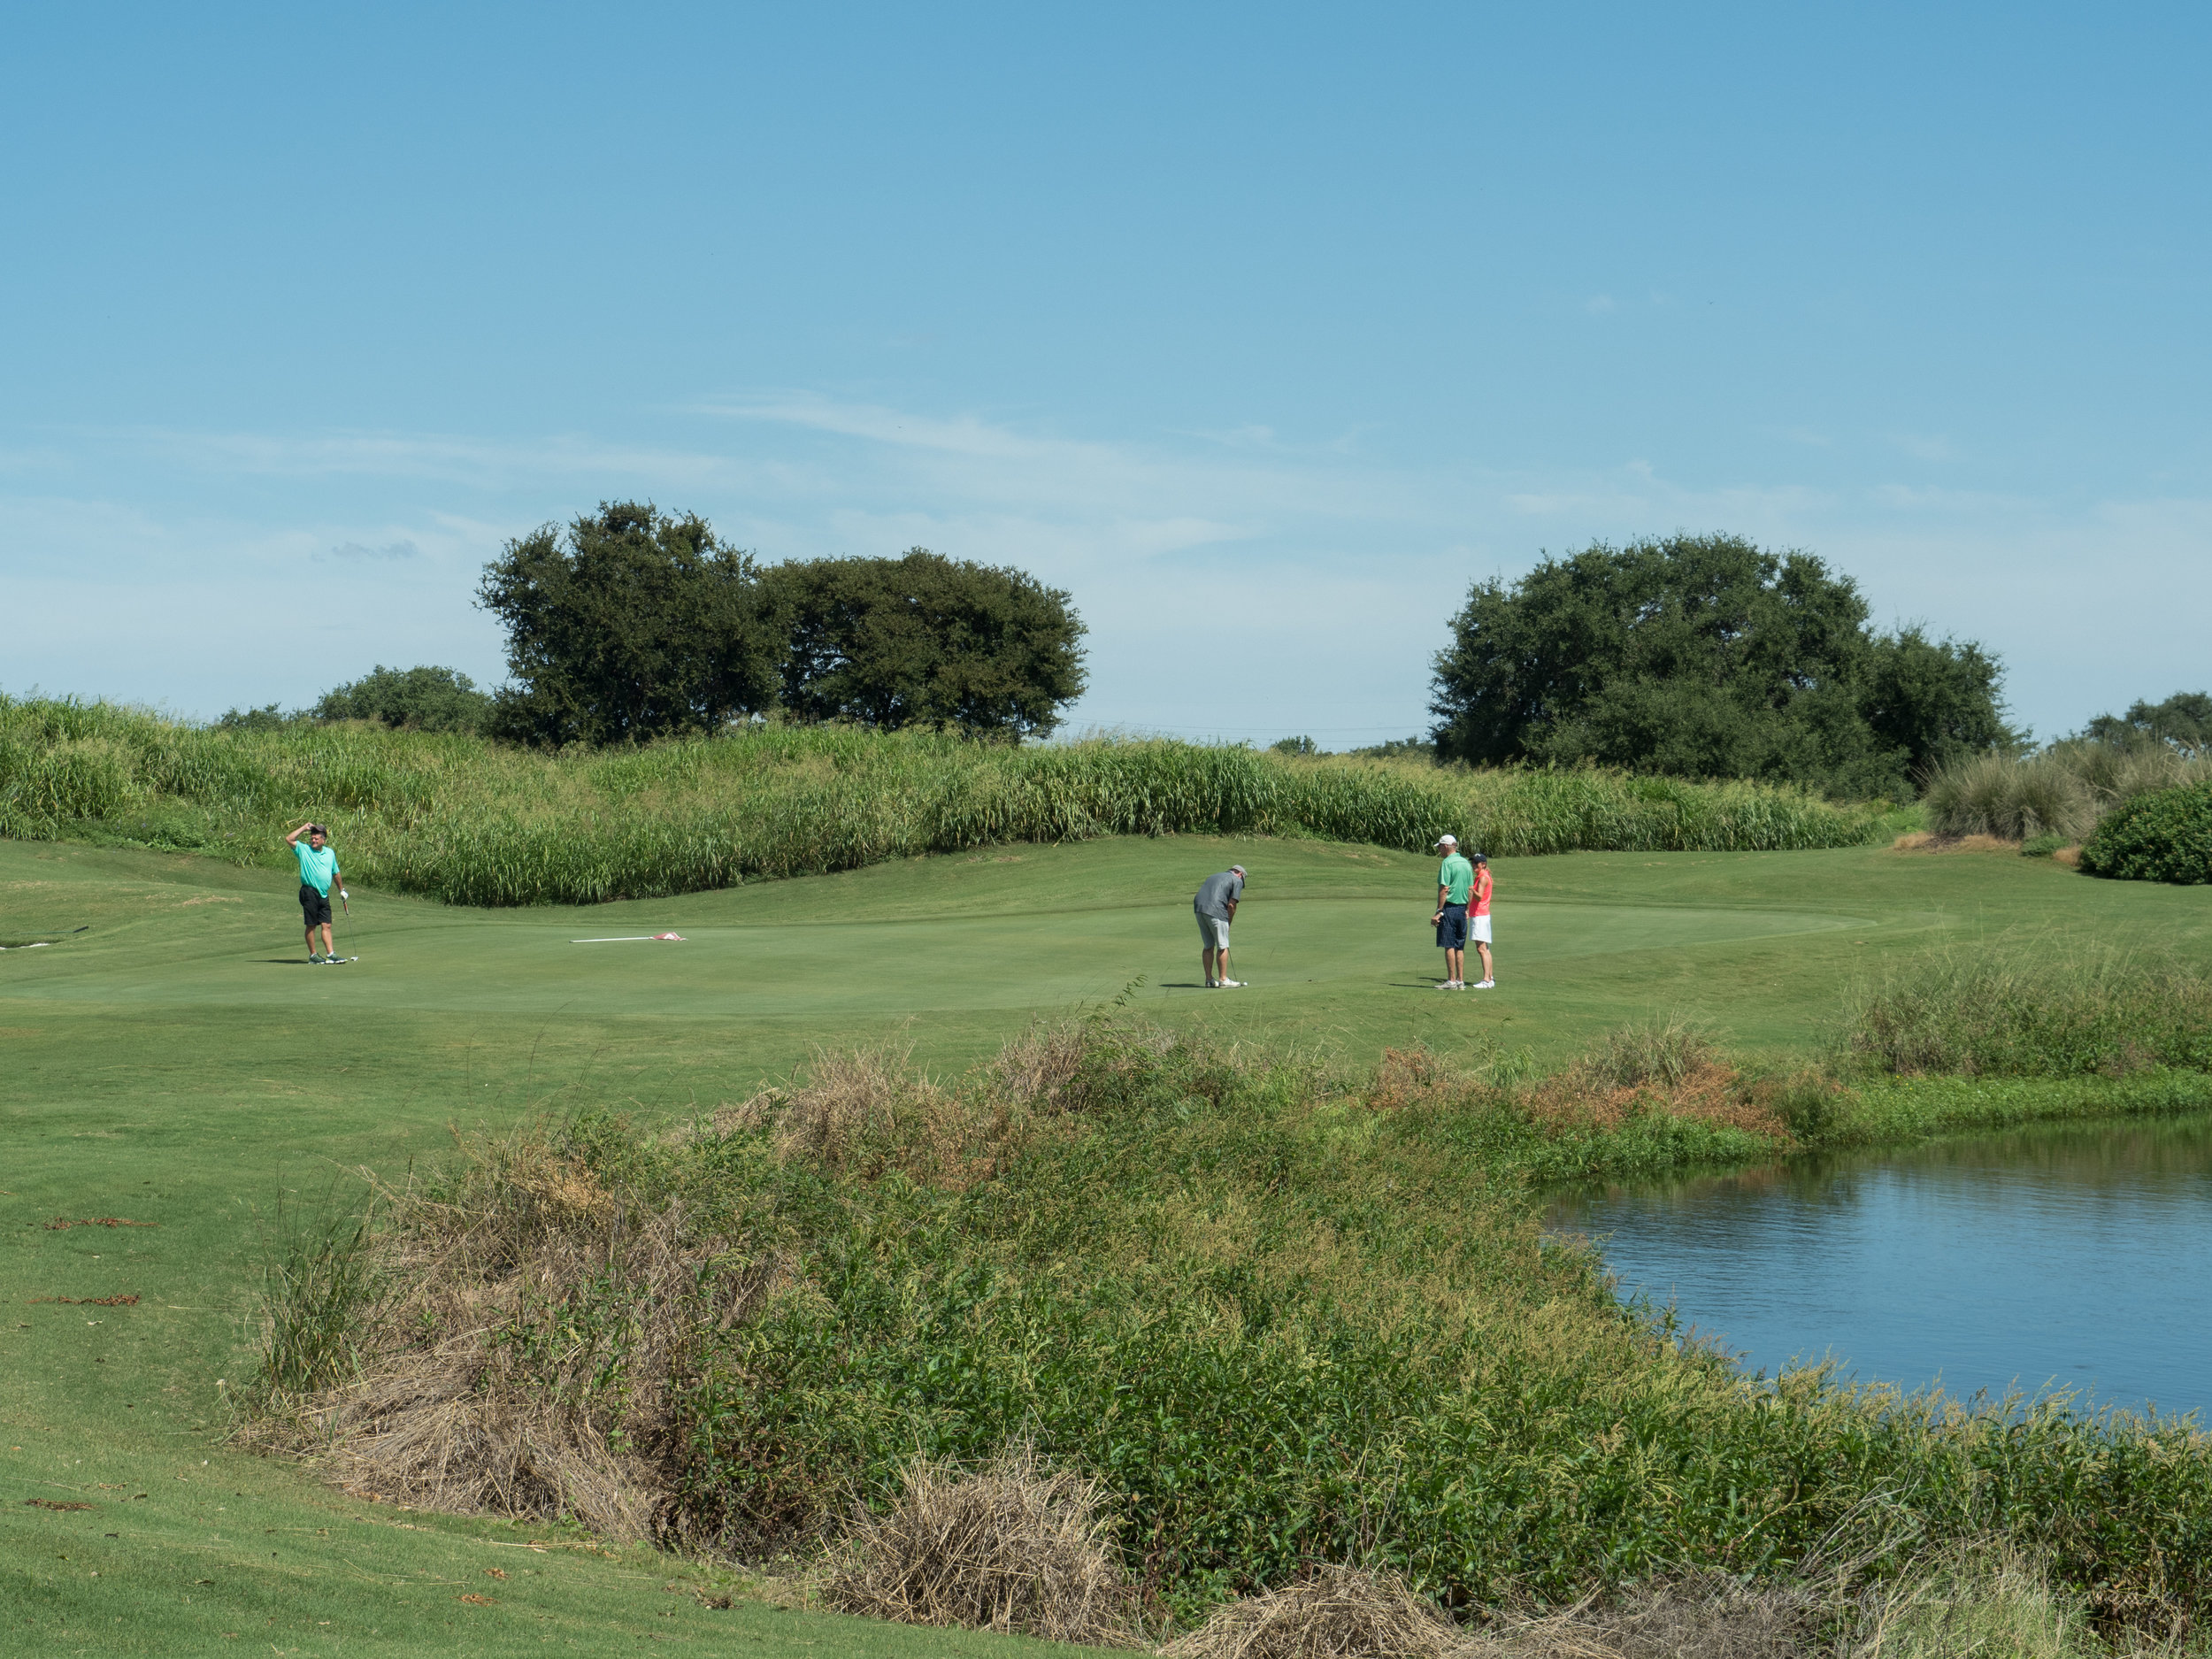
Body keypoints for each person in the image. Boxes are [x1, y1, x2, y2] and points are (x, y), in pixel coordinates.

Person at [285, 820, 347, 964]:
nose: (313, 840)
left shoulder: (330, 853)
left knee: (327, 924)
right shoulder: (304, 849)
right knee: (311, 925)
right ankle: (313, 955)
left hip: (323, 894)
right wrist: (304, 828)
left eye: (316, 838)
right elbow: (289, 839)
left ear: (323, 840)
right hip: (309, 892)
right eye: (312, 837)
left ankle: (331, 954)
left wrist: (341, 890)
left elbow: (335, 873)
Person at [1431, 834, 1472, 988]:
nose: (1439, 850)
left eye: (1440, 847)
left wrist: (1439, 911)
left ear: (1446, 847)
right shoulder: (1466, 863)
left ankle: (1451, 980)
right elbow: (1470, 889)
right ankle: (1460, 981)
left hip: (1449, 908)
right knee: (1459, 946)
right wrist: (1467, 909)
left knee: (1449, 945)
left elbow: (1444, 889)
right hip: (1462, 909)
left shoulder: (1447, 863)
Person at [1193, 864, 1245, 988]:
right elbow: (1232, 905)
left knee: (1208, 946)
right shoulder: (1237, 880)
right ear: (1240, 875)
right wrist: (1228, 923)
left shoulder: (1213, 876)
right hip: (1216, 910)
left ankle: (1209, 980)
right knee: (1223, 946)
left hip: (1199, 910)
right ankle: (1223, 979)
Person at [1468, 849, 1495, 988]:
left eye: (1476, 863)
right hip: (1481, 914)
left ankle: (1486, 980)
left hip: (1480, 915)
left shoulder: (1483, 877)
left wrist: (1471, 889)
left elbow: (1479, 896)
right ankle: (1490, 979)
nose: (1474, 865)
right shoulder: (1482, 876)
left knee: (1481, 949)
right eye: (1473, 862)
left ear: (1483, 864)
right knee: (1485, 948)